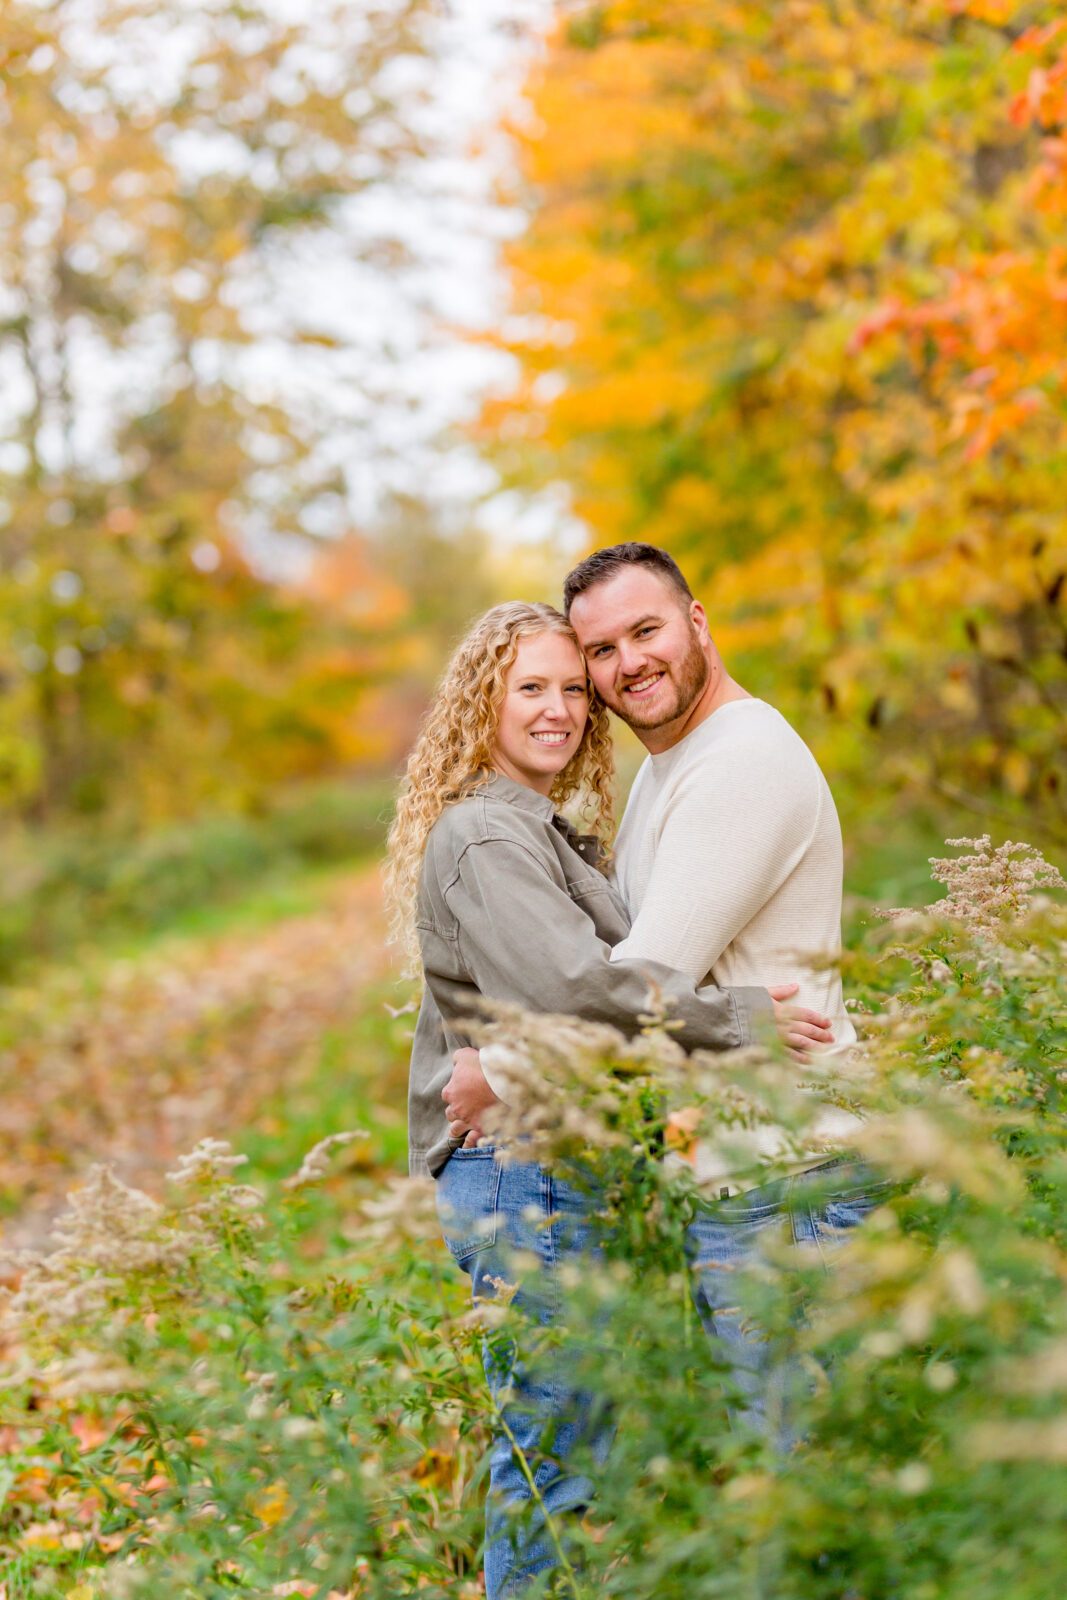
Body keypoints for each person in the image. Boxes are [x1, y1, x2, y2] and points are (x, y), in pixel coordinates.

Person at [385, 599, 834, 1600]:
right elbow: (574, 990)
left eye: (572, 692)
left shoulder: (541, 830)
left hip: (554, 1163)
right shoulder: (484, 838)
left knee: (574, 1450)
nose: (559, 710)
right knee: (551, 1461)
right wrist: (739, 1016)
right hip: (520, 1173)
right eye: (529, 688)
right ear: (480, 703)